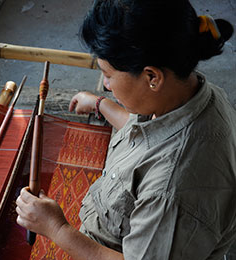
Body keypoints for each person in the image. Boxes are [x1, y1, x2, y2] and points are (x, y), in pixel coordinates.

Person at [16, 0, 236, 259]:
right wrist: (101, 105)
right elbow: (150, 136)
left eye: (107, 75)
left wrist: (57, 229)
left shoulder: (171, 192)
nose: (106, 85)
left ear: (152, 77)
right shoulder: (191, 92)